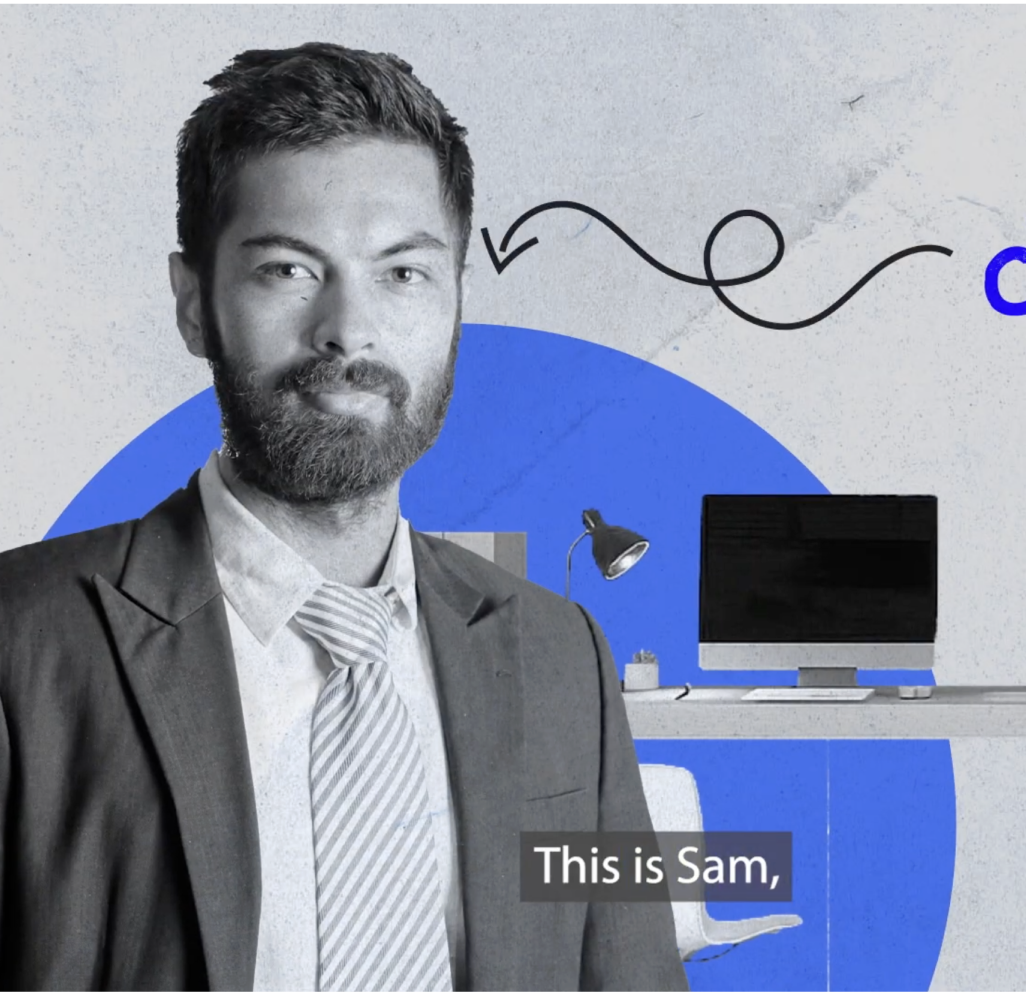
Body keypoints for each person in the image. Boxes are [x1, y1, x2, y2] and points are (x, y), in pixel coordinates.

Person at [0, 42, 688, 992]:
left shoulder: (562, 654)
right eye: (287, 270)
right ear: (194, 303)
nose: (348, 331)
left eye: (404, 274)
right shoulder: (20, 640)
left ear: (454, 305)